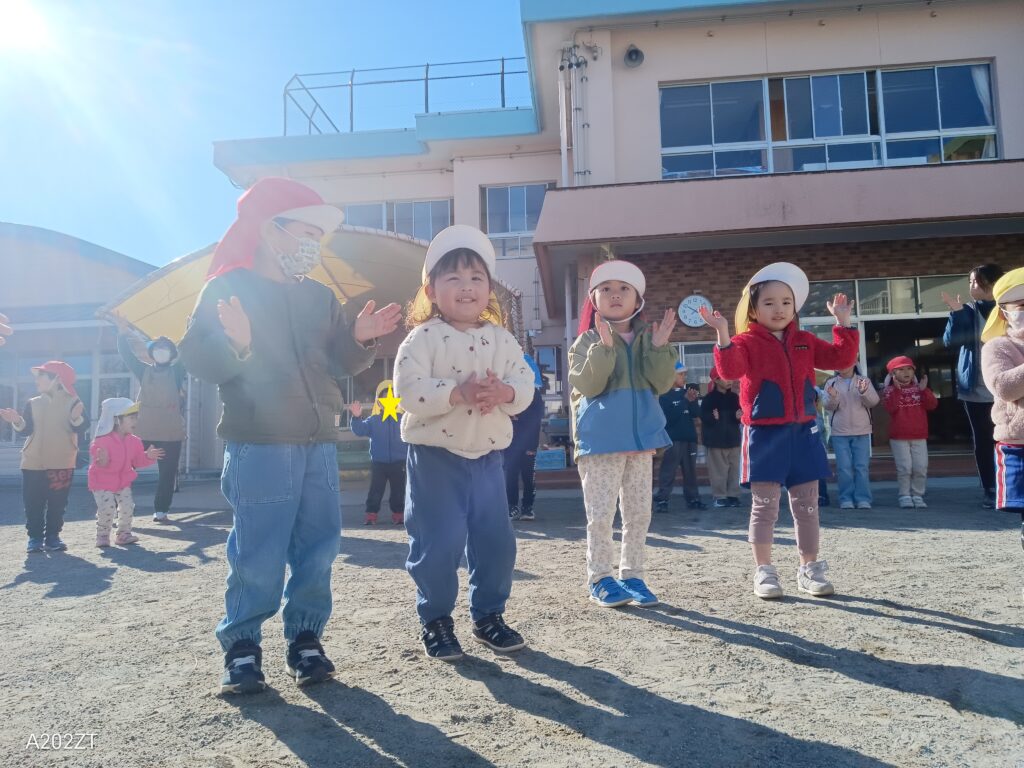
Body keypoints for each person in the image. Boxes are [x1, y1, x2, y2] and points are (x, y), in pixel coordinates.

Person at [178, 177, 402, 694]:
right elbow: (198, 360)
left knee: (319, 546)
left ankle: (305, 639)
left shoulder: (319, 296)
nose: (312, 247)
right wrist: (238, 344)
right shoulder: (226, 287)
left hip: (318, 440)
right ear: (268, 230)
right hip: (259, 442)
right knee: (258, 550)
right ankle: (241, 646)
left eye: (317, 238)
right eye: (305, 233)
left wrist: (358, 340)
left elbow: (337, 362)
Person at [394, 224, 536, 661]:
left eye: (476, 278)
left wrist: (505, 392)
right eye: (453, 277)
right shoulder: (422, 338)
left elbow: (525, 383)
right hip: (435, 459)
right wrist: (457, 393)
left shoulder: (502, 339)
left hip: (489, 459)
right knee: (438, 541)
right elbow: (407, 390)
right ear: (431, 290)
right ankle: (436, 619)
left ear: (489, 290)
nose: (466, 286)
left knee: (496, 543)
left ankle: (488, 616)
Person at [699, 262, 857, 600]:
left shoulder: (804, 341)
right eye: (769, 302)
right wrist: (723, 334)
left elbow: (840, 358)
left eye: (786, 302)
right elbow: (729, 370)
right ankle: (765, 572)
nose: (779, 309)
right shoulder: (745, 342)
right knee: (764, 507)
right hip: (764, 435)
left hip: (804, 433)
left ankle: (809, 569)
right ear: (754, 309)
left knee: (808, 506)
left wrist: (843, 323)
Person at [569, 260, 678, 608]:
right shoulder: (585, 341)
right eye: (606, 289)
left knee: (638, 514)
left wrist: (659, 349)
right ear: (594, 299)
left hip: (642, 442)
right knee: (600, 515)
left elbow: (662, 383)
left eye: (623, 289)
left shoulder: (650, 339)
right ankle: (600, 578)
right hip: (600, 443)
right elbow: (588, 384)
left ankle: (633, 576)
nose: (615, 294)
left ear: (637, 299)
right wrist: (604, 348)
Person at [0, 361, 90, 553]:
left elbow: (82, 426)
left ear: (56, 378)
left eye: (41, 376)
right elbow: (26, 430)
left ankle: (52, 537)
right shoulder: (33, 402)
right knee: (33, 502)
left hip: (62, 461)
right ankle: (34, 538)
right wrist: (16, 420)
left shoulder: (74, 401)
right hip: (33, 461)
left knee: (58, 503)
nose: (37, 380)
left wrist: (76, 418)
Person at [943, 264, 1005, 508]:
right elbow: (950, 341)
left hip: (1007, 388)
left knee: (1010, 438)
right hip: (976, 389)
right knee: (983, 440)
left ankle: (1010, 486)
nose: (971, 286)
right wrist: (957, 313)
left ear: (992, 283)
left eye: (976, 281)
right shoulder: (968, 310)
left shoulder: (1008, 309)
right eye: (970, 281)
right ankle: (990, 489)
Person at [114, 318, 187, 523]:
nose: (162, 351)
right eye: (158, 348)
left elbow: (187, 351)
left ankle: (161, 509)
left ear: (172, 354)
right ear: (152, 352)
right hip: (142, 430)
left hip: (170, 433)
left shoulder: (177, 371)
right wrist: (122, 333)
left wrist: (189, 329)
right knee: (125, 466)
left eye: (166, 348)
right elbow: (127, 355)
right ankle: (118, 506)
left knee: (167, 473)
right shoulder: (143, 370)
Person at [979, 267, 1024, 589]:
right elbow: (1003, 387)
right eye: (1020, 306)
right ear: (1004, 312)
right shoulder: (998, 347)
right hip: (1019, 441)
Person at [89, 398, 165, 547]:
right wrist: (102, 460)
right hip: (102, 482)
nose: (135, 421)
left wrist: (148, 456)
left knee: (127, 506)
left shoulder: (134, 441)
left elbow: (137, 461)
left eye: (136, 417)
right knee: (108, 508)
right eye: (131, 418)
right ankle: (102, 535)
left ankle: (123, 534)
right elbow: (100, 463)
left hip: (123, 481)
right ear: (117, 419)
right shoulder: (102, 441)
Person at [348, 379, 408, 525]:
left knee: (399, 491)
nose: (389, 401)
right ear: (378, 402)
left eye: (393, 397)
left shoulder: (403, 419)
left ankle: (399, 514)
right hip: (379, 463)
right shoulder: (373, 420)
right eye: (384, 398)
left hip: (399, 463)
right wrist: (356, 417)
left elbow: (414, 432)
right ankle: (371, 514)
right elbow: (360, 430)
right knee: (375, 490)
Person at [882, 355, 938, 509]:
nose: (906, 372)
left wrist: (924, 390)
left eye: (909, 369)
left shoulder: (920, 389)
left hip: (919, 435)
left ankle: (918, 495)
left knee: (921, 467)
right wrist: (897, 391)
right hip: (899, 436)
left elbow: (932, 405)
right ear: (893, 374)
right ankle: (905, 495)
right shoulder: (889, 391)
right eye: (900, 370)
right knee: (904, 468)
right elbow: (891, 408)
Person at [823, 365, 879, 509]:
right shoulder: (831, 382)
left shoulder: (864, 381)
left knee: (861, 467)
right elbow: (827, 406)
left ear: (854, 362)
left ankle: (863, 499)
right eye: (839, 362)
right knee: (844, 468)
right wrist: (833, 397)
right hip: (840, 432)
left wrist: (863, 392)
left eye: (846, 361)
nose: (843, 365)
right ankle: (845, 498)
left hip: (862, 431)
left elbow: (873, 402)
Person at [654, 362, 706, 512]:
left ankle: (693, 499)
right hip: (673, 440)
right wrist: (685, 401)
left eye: (685, 374)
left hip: (690, 438)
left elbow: (696, 414)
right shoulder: (664, 396)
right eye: (681, 374)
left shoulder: (687, 393)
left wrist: (693, 400)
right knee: (668, 471)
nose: (684, 377)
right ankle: (662, 500)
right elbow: (669, 418)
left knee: (691, 472)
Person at [504, 352, 545, 521]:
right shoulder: (508, 391)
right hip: (510, 442)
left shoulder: (535, 395)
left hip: (529, 443)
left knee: (529, 476)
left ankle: (528, 507)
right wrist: (513, 415)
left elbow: (536, 418)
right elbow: (504, 413)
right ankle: (512, 507)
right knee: (510, 475)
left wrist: (517, 416)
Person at [701, 367, 742, 508]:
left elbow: (738, 417)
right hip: (715, 441)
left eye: (730, 377)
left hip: (733, 439)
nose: (730, 380)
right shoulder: (708, 399)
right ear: (716, 380)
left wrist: (738, 417)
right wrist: (713, 417)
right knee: (718, 471)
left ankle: (733, 495)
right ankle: (720, 497)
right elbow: (704, 418)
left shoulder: (735, 398)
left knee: (734, 470)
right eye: (726, 377)